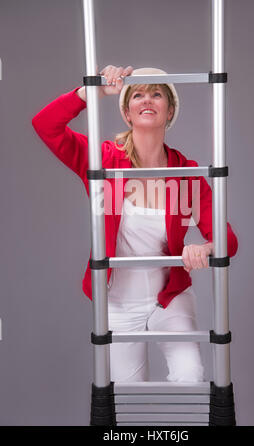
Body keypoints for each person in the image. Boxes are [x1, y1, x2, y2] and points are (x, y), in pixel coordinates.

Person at [32, 64, 238, 383]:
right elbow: (45, 125)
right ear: (127, 113)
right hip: (117, 301)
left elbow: (228, 240)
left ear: (169, 111)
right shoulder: (102, 162)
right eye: (138, 94)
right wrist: (94, 89)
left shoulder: (188, 174)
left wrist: (207, 247)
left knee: (190, 376)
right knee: (127, 395)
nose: (147, 100)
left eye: (157, 94)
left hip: (169, 298)